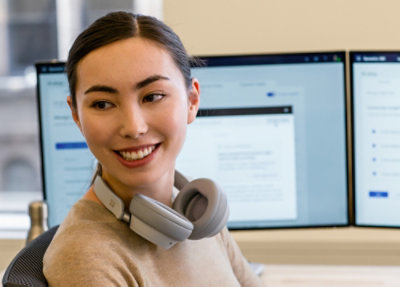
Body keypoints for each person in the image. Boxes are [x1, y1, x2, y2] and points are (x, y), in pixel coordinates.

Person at [43, 11, 264, 287]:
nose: (133, 127)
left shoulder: (197, 214)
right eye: (102, 104)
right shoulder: (86, 257)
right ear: (76, 115)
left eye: (153, 96)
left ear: (192, 100)